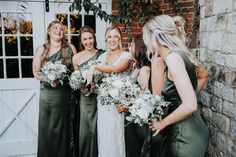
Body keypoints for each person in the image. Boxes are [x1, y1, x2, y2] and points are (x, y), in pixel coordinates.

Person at [142, 15, 209, 157]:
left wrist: (163, 123)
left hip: (184, 135)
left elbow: (190, 104)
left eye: (147, 37)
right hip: (189, 127)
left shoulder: (173, 58)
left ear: (157, 36)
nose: (145, 42)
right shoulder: (180, 54)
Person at [85, 26, 132, 157]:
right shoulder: (103, 56)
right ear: (106, 40)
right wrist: (93, 84)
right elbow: (100, 77)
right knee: (105, 135)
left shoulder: (126, 55)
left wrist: (94, 66)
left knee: (116, 135)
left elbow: (115, 69)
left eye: (115, 36)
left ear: (120, 39)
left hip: (119, 103)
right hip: (104, 103)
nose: (112, 39)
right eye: (109, 37)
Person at [32, 21, 77, 157]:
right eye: (55, 28)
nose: (59, 30)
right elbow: (36, 72)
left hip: (64, 96)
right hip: (47, 97)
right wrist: (48, 79)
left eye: (61, 29)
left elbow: (76, 71)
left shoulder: (70, 48)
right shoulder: (41, 49)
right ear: (49, 31)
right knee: (48, 129)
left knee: (63, 130)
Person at [122, 34, 166, 157]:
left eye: (131, 45)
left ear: (138, 48)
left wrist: (127, 108)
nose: (129, 48)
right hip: (132, 120)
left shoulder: (145, 70)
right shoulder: (137, 67)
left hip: (139, 123)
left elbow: (144, 102)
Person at [72, 25, 104, 157]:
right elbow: (76, 78)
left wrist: (97, 85)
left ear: (94, 38)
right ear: (81, 41)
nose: (88, 42)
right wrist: (81, 86)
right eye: (85, 39)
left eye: (90, 38)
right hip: (85, 99)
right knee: (86, 130)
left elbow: (107, 75)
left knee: (99, 128)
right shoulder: (76, 58)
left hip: (100, 97)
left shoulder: (102, 54)